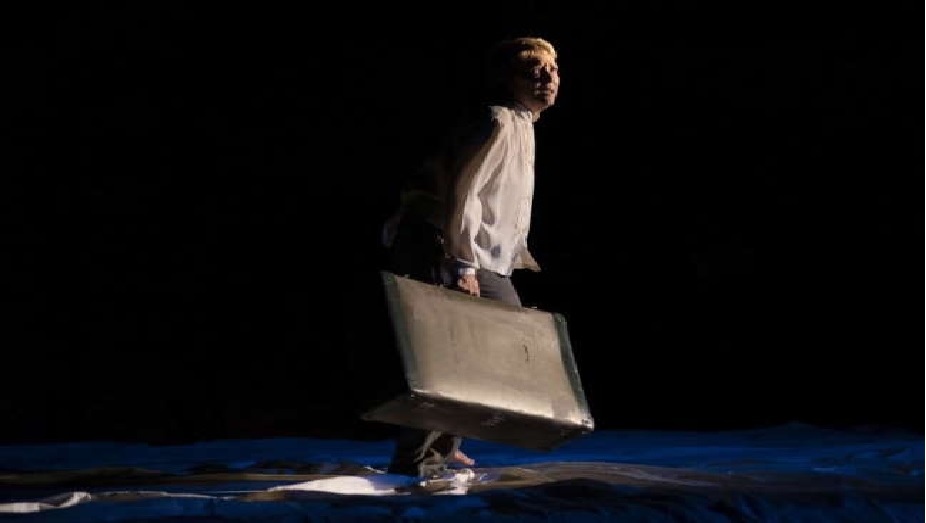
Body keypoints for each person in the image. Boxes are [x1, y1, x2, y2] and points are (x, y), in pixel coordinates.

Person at [380, 36, 560, 478]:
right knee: (451, 352)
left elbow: (504, 201)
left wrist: (509, 252)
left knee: (483, 345)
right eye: (533, 71)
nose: (547, 78)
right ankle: (417, 459)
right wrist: (463, 264)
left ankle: (446, 441)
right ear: (508, 78)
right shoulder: (496, 119)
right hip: (441, 242)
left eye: (553, 71)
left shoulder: (522, 122)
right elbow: (466, 194)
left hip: (473, 249)